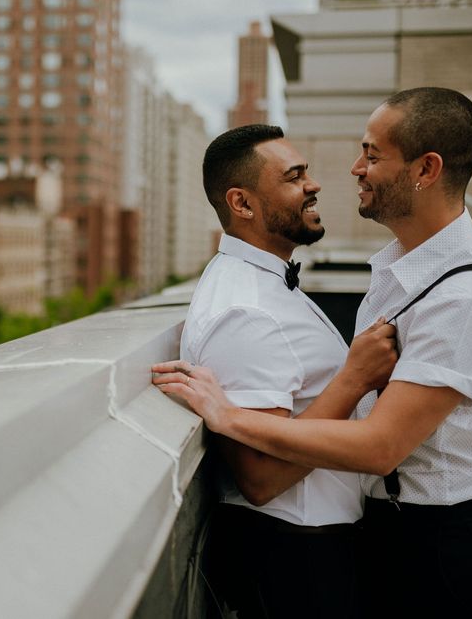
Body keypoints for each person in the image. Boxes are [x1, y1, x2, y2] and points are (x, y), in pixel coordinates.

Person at [153, 89, 472, 619]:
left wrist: (227, 416)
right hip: (396, 537)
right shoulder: (398, 272)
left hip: (457, 549)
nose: (354, 169)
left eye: (371, 154)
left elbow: (381, 445)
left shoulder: (466, 298)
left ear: (425, 170)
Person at [158, 124, 396, 618]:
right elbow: (261, 478)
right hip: (296, 556)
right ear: (242, 204)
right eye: (294, 177)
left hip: (312, 546)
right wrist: (355, 379)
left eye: (306, 171)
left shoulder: (263, 283)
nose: (313, 185)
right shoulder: (246, 312)